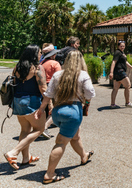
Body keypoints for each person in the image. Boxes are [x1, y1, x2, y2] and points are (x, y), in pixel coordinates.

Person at [35, 51, 95, 184]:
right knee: (61, 142)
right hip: (73, 112)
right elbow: (90, 92)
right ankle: (49, 174)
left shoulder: (58, 74)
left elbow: (48, 94)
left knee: (75, 136)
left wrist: (40, 109)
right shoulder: (82, 75)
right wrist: (87, 102)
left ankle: (83, 155)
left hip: (57, 112)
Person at [4, 45, 47, 170]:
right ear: (34, 54)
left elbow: (14, 84)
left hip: (17, 101)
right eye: (39, 53)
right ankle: (13, 152)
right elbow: (43, 89)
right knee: (39, 129)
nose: (41, 55)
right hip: (31, 101)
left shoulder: (17, 67)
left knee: (25, 130)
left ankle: (26, 158)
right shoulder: (38, 68)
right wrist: (49, 103)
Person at [40, 45, 62, 139]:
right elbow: (59, 77)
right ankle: (44, 128)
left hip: (42, 87)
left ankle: (40, 128)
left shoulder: (41, 63)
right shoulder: (55, 64)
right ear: (52, 55)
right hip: (52, 87)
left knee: (44, 109)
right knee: (54, 109)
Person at [109, 40, 132, 108]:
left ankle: (112, 104)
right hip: (119, 71)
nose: (122, 47)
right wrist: (111, 72)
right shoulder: (117, 52)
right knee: (128, 85)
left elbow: (125, 62)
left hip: (118, 72)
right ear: (118, 46)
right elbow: (113, 62)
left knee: (115, 88)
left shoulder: (122, 53)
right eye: (121, 46)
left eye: (123, 46)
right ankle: (127, 103)